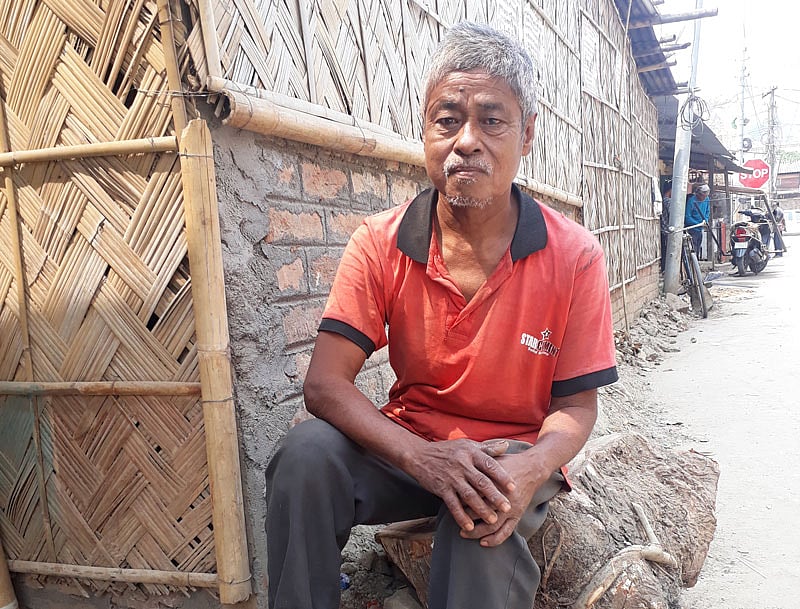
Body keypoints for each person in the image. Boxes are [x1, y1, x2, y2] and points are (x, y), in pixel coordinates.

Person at [264, 22, 618, 609]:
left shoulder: (573, 255)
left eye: (492, 119)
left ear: (528, 134)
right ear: (425, 134)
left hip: (509, 455)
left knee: (483, 515)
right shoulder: (379, 242)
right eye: (447, 120)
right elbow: (325, 384)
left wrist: (533, 467)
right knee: (304, 457)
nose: (467, 141)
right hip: (408, 450)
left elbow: (576, 406)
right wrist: (420, 457)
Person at [684, 183, 710, 257]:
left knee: (698, 248)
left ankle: (696, 265)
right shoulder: (691, 201)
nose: (704, 198)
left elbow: (707, 211)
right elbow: (687, 217)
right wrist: (697, 223)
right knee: (693, 249)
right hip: (692, 229)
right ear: (698, 194)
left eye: (706, 196)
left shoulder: (707, 199)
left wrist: (706, 220)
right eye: (703, 196)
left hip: (700, 228)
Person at [660, 184, 672, 272]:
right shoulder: (668, 201)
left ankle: (664, 268)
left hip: (663, 228)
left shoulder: (662, 200)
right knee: (669, 251)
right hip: (668, 229)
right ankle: (667, 269)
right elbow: (673, 214)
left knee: (664, 250)